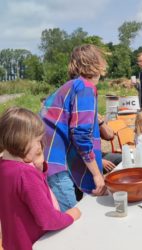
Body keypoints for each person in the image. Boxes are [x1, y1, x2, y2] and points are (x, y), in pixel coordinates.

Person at [0, 107, 81, 250]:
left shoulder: (5, 166)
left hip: (12, 244)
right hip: (35, 244)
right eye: (37, 141)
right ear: (21, 140)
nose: (40, 146)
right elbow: (48, 220)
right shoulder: (25, 174)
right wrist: (71, 215)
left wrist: (39, 169)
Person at [41, 44, 107, 212]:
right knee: (71, 223)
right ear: (94, 63)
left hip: (46, 160)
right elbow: (81, 135)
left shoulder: (72, 86)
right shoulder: (84, 88)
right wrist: (97, 175)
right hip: (55, 163)